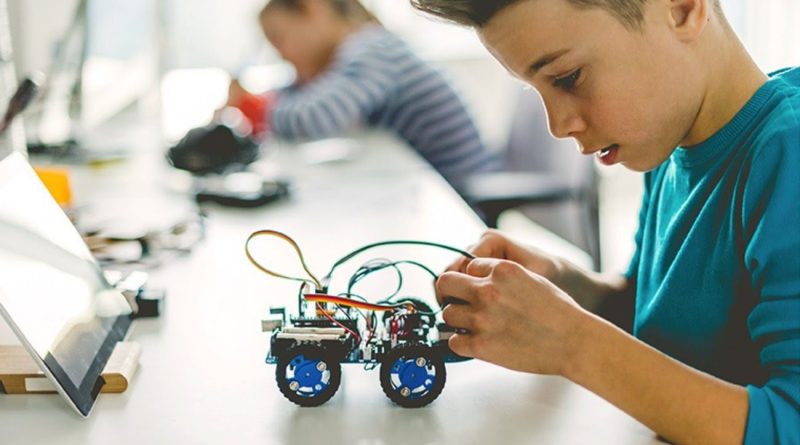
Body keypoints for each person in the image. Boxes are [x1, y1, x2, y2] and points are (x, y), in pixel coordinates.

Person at [409, 0, 800, 443]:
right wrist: (566, 285)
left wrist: (573, 344)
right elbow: (661, 317)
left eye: (568, 78)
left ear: (681, 9)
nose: (557, 125)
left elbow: (790, 423)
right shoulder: (671, 141)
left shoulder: (789, 153)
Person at [226, 0, 499, 186]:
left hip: (457, 199)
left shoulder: (375, 49)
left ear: (312, 8)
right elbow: (296, 93)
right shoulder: (362, 49)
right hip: (427, 186)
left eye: (279, 38)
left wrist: (247, 104)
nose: (281, 54)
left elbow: (316, 117)